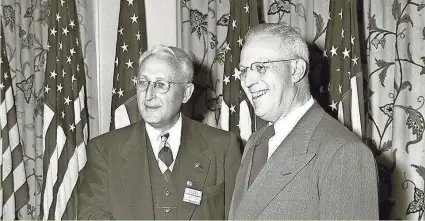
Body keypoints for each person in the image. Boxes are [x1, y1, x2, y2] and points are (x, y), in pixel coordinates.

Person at [228, 23, 378, 220]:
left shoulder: (344, 152)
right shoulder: (256, 141)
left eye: (260, 68)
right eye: (244, 70)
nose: (247, 81)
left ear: (296, 70)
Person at [78, 45, 241, 220]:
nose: (148, 95)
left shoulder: (222, 147)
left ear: (186, 93)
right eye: (143, 83)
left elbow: (240, 215)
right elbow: (91, 216)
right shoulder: (104, 150)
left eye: (160, 85)